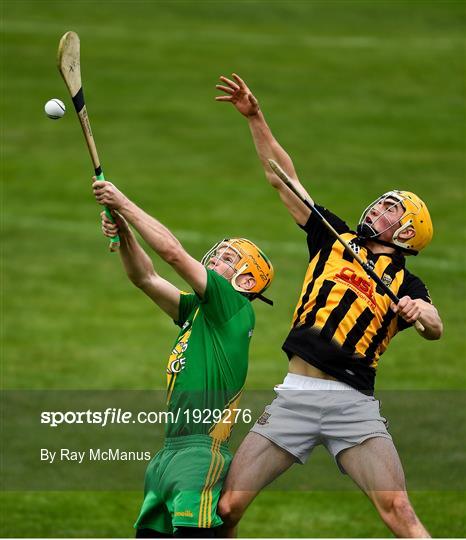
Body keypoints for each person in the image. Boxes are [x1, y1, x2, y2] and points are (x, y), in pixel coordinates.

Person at [214, 74, 443, 538]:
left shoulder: (408, 282)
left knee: (398, 510)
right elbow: (283, 179)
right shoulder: (334, 237)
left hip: (352, 403)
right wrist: (255, 117)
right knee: (228, 507)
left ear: (406, 233)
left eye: (390, 210)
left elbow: (436, 326)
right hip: (295, 395)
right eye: (381, 203)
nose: (377, 209)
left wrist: (420, 315)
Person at [92, 178, 274, 538]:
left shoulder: (232, 307)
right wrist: (124, 231)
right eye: (218, 252)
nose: (214, 259)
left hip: (199, 454)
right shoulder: (197, 312)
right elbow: (144, 276)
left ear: (247, 282)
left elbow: (173, 254)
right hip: (167, 454)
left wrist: (124, 203)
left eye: (228, 259)